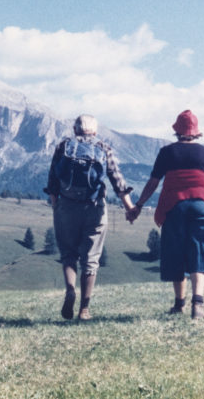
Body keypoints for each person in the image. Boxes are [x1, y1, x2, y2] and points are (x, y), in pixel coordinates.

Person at [127, 110, 204, 319]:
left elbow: (153, 183)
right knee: (200, 254)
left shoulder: (167, 152)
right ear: (196, 133)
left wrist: (139, 205)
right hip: (201, 206)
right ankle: (198, 303)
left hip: (175, 206)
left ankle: (179, 305)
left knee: (177, 254)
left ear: (176, 131)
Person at [44, 114, 135, 321]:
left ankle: (70, 290)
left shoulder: (63, 146)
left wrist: (56, 206)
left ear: (75, 129)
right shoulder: (103, 148)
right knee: (91, 258)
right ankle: (84, 309)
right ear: (95, 131)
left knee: (68, 254)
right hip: (94, 208)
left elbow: (52, 181)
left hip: (67, 206)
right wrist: (130, 208)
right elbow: (117, 181)